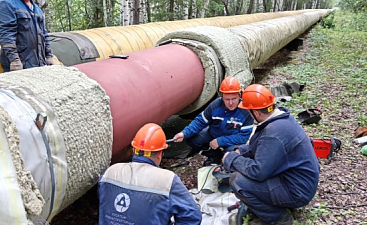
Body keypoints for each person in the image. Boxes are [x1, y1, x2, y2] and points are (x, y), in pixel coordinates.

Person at [222, 84, 320, 225]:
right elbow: (264, 149)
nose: (249, 115)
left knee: (238, 181)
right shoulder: (280, 119)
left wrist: (231, 159)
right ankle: (270, 204)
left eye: (249, 112)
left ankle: (279, 219)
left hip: (298, 191)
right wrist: (241, 151)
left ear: (256, 113)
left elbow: (258, 171)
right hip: (299, 182)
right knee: (245, 171)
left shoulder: (273, 133)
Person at [98, 123, 202, 225]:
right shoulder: (167, 181)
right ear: (160, 154)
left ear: (134, 150)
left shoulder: (110, 172)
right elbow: (193, 217)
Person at [174, 76, 254, 166]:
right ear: (222, 97)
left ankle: (226, 160)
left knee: (231, 156)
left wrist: (220, 141)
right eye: (227, 99)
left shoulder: (246, 111)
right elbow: (200, 121)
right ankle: (215, 156)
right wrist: (184, 133)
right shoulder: (215, 105)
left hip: (233, 141)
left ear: (239, 95)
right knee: (192, 139)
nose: (231, 103)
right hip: (213, 134)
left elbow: (243, 137)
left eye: (234, 99)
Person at [0, 0, 54, 72]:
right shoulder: (7, 5)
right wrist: (15, 60)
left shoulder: (37, 9)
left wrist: (49, 56)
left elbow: (44, 34)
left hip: (38, 64)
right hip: (20, 66)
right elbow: (7, 36)